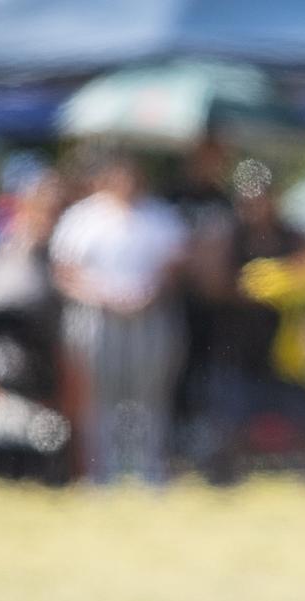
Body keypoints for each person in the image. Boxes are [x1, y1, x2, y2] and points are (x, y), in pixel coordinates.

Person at [50, 149, 189, 484]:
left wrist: (147, 294)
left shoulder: (158, 216)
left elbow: (173, 267)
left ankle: (149, 471)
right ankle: (101, 473)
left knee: (149, 393)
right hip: (97, 316)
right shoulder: (82, 217)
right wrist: (102, 293)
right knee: (99, 397)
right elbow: (65, 271)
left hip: (148, 316)